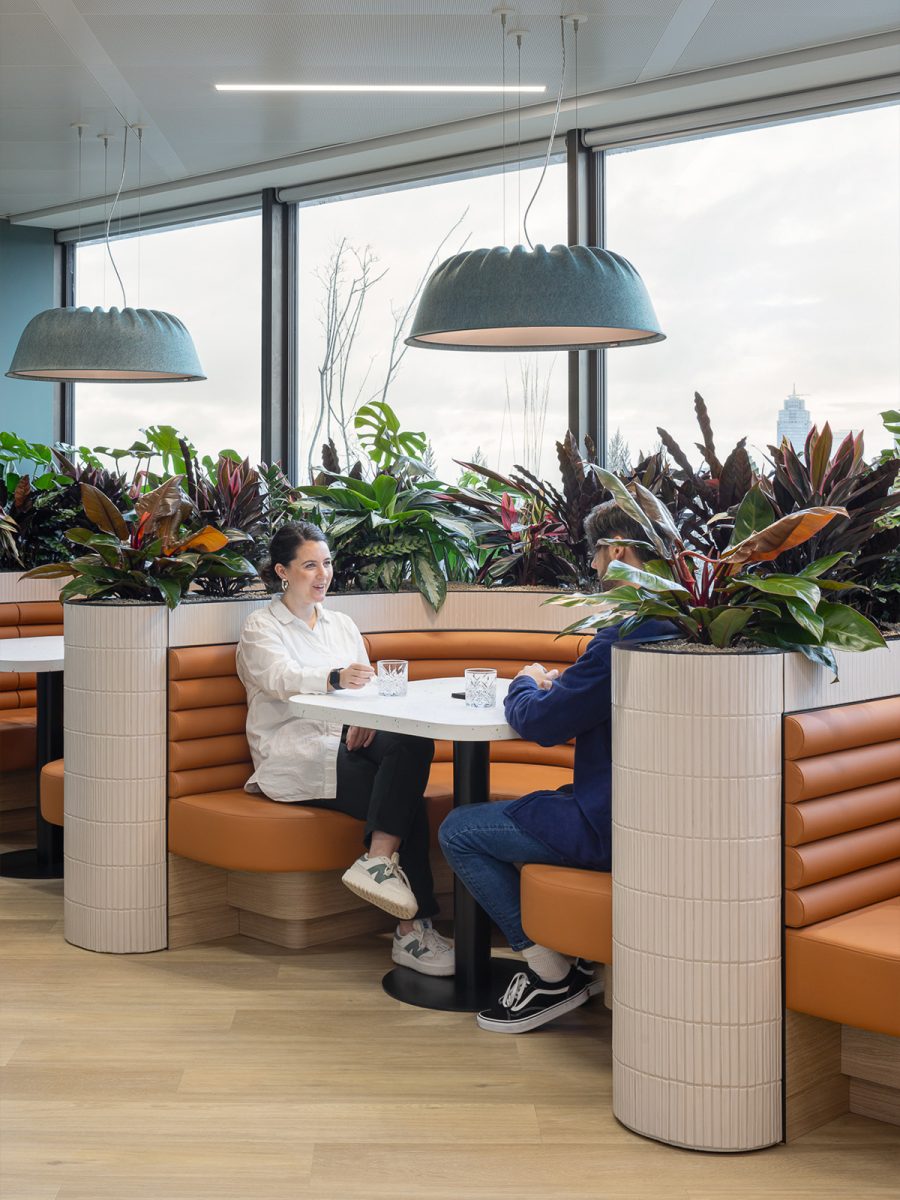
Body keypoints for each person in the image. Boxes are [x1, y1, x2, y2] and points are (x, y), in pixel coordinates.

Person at [439, 500, 675, 1033]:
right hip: (656, 817)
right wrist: (560, 688)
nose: (592, 569)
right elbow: (580, 698)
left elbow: (541, 725)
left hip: (611, 826)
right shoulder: (679, 622)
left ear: (617, 551)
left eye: (595, 556)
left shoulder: (623, 634)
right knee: (523, 809)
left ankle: (552, 974)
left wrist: (526, 679)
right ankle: (578, 958)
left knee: (459, 829)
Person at [236, 521, 453, 978]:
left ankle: (377, 863)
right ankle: (413, 930)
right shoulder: (260, 627)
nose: (323, 574)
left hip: (352, 735)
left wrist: (360, 715)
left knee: (412, 740)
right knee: (402, 798)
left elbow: (367, 684)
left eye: (327, 563)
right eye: (309, 565)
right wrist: (334, 678)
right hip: (296, 750)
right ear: (282, 571)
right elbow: (279, 679)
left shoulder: (342, 624)